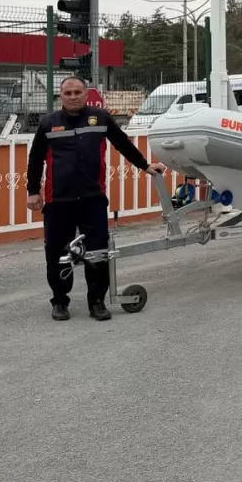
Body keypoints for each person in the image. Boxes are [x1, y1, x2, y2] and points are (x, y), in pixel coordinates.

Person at [27, 76, 165, 321]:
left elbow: (122, 143)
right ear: (61, 96)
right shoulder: (49, 124)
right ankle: (60, 301)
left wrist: (145, 166)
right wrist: (33, 192)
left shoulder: (100, 119)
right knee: (57, 252)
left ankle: (97, 302)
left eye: (77, 92)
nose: (73, 97)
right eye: (68, 93)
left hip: (93, 199)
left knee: (98, 251)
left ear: (86, 94)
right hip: (59, 201)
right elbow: (36, 158)